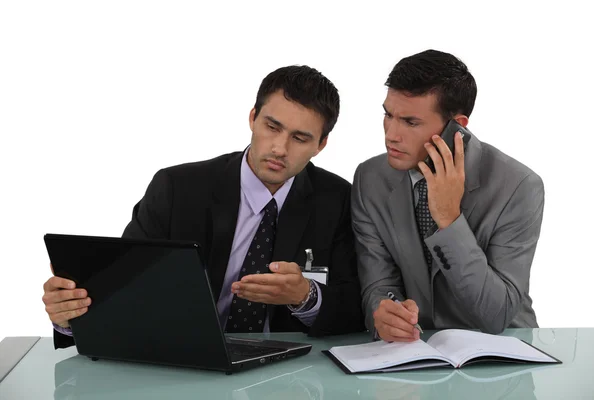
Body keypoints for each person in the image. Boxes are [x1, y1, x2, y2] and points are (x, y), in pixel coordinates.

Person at [42, 65, 365, 349]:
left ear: (321, 145)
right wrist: (68, 317)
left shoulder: (336, 199)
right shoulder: (176, 188)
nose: (279, 148)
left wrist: (304, 295)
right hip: (181, 356)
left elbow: (356, 308)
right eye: (272, 127)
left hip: (291, 373)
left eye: (300, 138)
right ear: (253, 118)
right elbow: (124, 289)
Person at [352, 49, 544, 343]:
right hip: (414, 352)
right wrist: (384, 313)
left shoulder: (519, 186)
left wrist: (449, 220)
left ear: (457, 126)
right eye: (388, 115)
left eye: (410, 122)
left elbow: (496, 314)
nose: (391, 134)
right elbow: (378, 283)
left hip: (501, 353)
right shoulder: (370, 178)